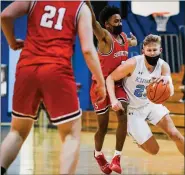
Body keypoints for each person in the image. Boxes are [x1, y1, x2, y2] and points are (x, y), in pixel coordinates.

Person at [0, 1, 106, 174]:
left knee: (17, 132)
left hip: (27, 68)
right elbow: (87, 49)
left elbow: (5, 15)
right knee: (71, 135)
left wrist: (12, 41)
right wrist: (100, 81)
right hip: (57, 70)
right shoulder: (81, 7)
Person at [106, 34, 184, 157]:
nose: (152, 53)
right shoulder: (133, 64)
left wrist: (167, 81)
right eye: (149, 50)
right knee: (154, 150)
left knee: (176, 135)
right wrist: (113, 99)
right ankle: (135, 135)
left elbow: (171, 91)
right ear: (143, 51)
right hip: (133, 111)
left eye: (155, 50)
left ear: (160, 50)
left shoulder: (163, 66)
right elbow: (110, 78)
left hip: (151, 104)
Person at [86, 2, 137, 174]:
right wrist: (87, 4)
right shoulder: (105, 38)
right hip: (100, 86)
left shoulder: (122, 37)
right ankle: (98, 154)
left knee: (122, 116)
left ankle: (117, 157)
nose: (119, 23)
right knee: (103, 127)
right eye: (115, 22)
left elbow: (129, 42)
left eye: (120, 20)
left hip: (117, 85)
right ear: (107, 25)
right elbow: (93, 23)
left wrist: (133, 41)